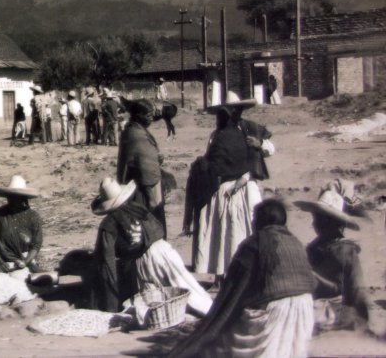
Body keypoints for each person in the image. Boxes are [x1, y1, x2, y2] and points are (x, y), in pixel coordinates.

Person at [167, 200, 315, 358]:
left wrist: (212, 326)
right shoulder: (295, 241)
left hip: (275, 313)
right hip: (304, 314)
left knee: (222, 343)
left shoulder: (255, 243)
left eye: (254, 217)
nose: (252, 221)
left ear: (260, 220)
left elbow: (233, 290)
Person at [86, 178, 213, 315]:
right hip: (165, 250)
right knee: (188, 286)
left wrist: (110, 305)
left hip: (148, 261)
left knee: (159, 295)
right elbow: (159, 229)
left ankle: (205, 313)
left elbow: (107, 262)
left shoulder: (108, 224)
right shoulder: (138, 208)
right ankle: (212, 310)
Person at [193, 97, 263, 278]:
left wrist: (260, 144)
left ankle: (245, 272)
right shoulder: (216, 136)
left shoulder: (250, 129)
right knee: (229, 231)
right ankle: (227, 272)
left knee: (240, 229)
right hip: (227, 186)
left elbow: (266, 150)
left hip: (246, 187)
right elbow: (213, 159)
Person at [295, 179, 369, 329]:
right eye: (315, 219)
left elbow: (354, 290)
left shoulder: (346, 251)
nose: (314, 224)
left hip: (333, 308)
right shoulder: (315, 247)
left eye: (319, 220)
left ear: (333, 223)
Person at [117, 97, 166, 237]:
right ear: (139, 116)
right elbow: (143, 169)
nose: (151, 118)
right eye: (148, 115)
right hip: (143, 191)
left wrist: (156, 159)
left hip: (139, 188)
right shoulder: (136, 135)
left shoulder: (134, 131)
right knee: (148, 229)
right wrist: (151, 198)